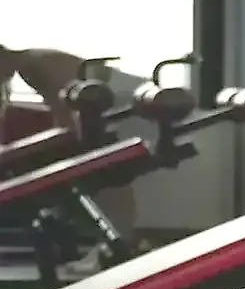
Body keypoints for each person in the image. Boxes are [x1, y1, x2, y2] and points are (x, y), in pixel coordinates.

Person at [0, 44, 146, 266]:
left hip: (127, 100)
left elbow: (68, 121)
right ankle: (123, 243)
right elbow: (63, 115)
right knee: (109, 174)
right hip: (107, 101)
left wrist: (24, 149)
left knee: (110, 172)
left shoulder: (37, 66)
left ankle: (124, 243)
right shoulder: (29, 64)